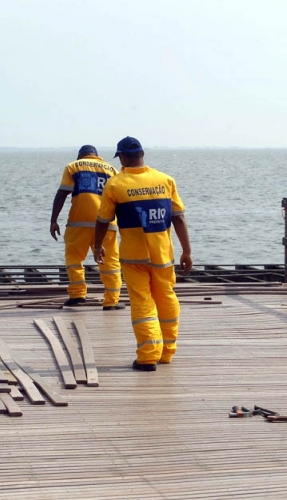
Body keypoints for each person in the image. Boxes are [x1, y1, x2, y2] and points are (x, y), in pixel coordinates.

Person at [93, 136, 193, 371]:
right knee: (166, 298)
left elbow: (103, 220)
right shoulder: (165, 180)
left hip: (133, 257)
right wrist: (187, 251)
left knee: (142, 302)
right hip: (163, 255)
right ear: (143, 154)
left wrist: (97, 246)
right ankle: (167, 352)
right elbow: (178, 217)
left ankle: (148, 356)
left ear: (124, 158)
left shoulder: (116, 184)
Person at [50, 145, 124, 310]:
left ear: (80, 156)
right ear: (97, 156)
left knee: (74, 258)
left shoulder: (72, 167)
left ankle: (77, 294)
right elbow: (120, 199)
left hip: (79, 223)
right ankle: (111, 301)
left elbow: (62, 193)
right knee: (109, 261)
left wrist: (53, 220)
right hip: (107, 224)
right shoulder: (112, 169)